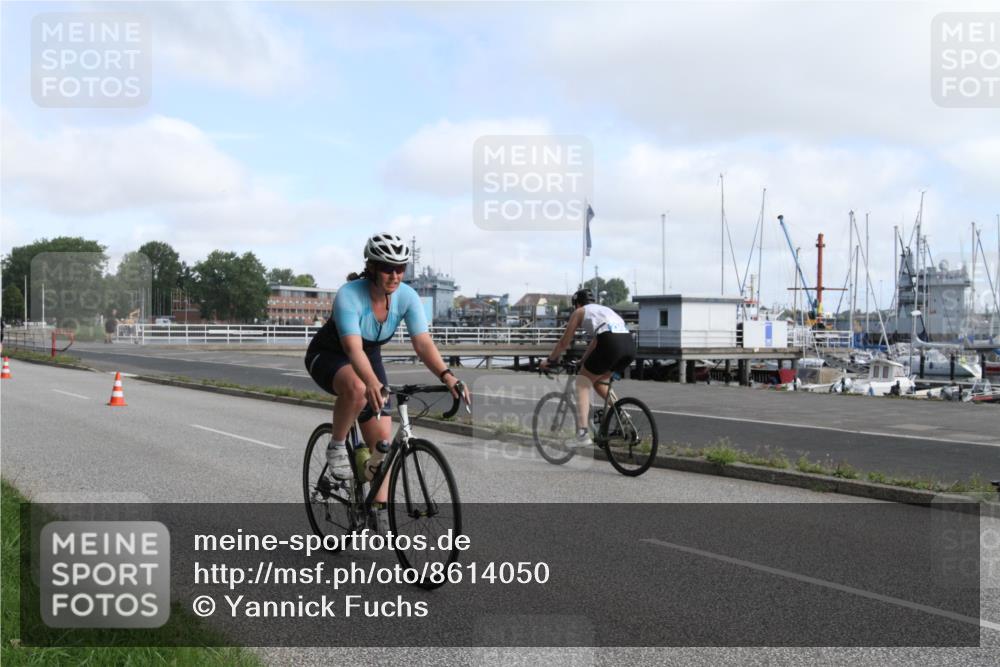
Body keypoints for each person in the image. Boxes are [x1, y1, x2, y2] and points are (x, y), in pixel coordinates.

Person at [304, 233, 469, 505]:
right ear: (371, 267)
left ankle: (377, 508)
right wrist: (370, 383)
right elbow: (353, 349)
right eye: (387, 268)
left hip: (369, 357)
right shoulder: (350, 295)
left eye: (400, 268)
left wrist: (447, 375)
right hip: (330, 354)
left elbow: (423, 343)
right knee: (357, 389)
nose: (394, 275)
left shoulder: (407, 296)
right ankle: (337, 446)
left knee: (382, 441)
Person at [540, 288, 634, 446]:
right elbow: (596, 341)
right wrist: (583, 360)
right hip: (629, 345)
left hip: (610, 344)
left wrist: (549, 360)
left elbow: (564, 342)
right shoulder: (605, 310)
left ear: (577, 303)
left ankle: (582, 434)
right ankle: (622, 414)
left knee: (582, 384)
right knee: (599, 381)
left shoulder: (580, 312)